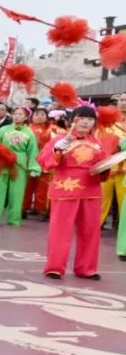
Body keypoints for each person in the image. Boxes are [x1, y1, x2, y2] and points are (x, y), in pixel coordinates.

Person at [37, 105, 108, 280]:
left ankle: (86, 268)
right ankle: (54, 267)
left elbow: (104, 167)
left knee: (90, 231)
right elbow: (44, 162)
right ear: (72, 120)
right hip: (65, 189)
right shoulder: (60, 140)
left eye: (90, 119)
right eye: (81, 118)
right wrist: (58, 149)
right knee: (60, 231)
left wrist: (107, 167)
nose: (85, 122)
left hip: (91, 191)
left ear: (94, 123)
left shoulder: (97, 143)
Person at [0, 106, 39, 226]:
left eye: (20, 114)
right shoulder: (3, 129)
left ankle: (14, 219)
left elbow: (33, 151)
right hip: (1, 161)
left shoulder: (29, 133)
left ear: (26, 117)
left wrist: (34, 168)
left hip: (19, 164)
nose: (17, 116)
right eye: (15, 113)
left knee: (17, 192)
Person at [24, 108, 63, 220]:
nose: (39, 116)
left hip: (45, 161)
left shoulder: (53, 129)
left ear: (47, 117)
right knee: (27, 186)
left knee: (43, 187)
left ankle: (41, 210)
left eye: (42, 114)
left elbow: (61, 140)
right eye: (37, 114)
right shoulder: (27, 129)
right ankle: (23, 208)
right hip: (29, 160)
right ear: (32, 117)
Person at [98, 94, 126, 228]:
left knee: (124, 202)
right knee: (101, 199)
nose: (124, 103)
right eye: (122, 100)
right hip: (107, 166)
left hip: (124, 169)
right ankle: (95, 226)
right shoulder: (107, 121)